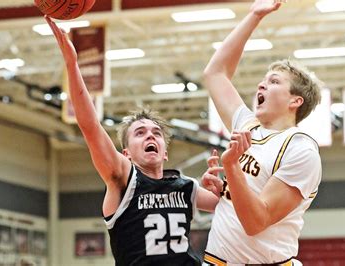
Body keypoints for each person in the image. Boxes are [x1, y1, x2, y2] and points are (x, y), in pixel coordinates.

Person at [45, 16, 221, 265]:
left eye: (156, 133)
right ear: (126, 154)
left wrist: (227, 182)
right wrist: (72, 64)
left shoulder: (185, 187)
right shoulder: (122, 180)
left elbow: (234, 209)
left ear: (165, 152)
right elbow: (90, 126)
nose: (150, 135)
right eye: (140, 132)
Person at [201, 0, 323, 265]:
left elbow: (257, 221)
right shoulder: (247, 124)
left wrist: (231, 168)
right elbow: (215, 73)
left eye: (274, 81)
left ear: (295, 101)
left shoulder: (300, 149)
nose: (262, 84)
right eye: (264, 80)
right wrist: (254, 16)